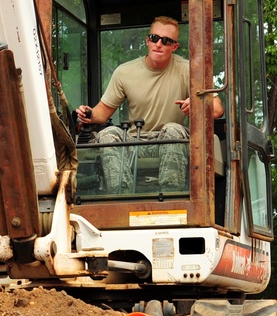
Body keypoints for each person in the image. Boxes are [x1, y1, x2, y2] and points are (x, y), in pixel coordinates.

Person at [75, 16, 223, 192]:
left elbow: (218, 110)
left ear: (174, 47)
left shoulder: (190, 70)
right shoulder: (124, 72)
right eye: (154, 38)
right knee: (108, 134)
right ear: (147, 40)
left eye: (166, 41)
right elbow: (102, 113)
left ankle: (171, 196)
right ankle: (122, 197)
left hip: (169, 140)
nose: (158, 44)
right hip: (134, 142)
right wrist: (88, 114)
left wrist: (197, 106)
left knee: (173, 129)